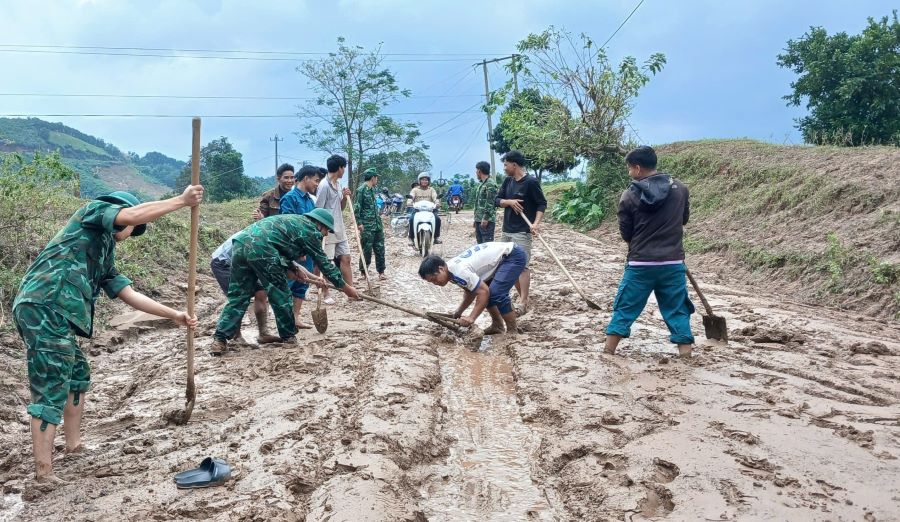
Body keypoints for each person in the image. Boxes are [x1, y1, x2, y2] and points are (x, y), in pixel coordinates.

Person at [12, 186, 203, 485]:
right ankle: (43, 473)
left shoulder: (104, 253)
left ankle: (73, 446)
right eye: (132, 228)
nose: (129, 233)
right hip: (45, 306)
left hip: (54, 312)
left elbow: (128, 293)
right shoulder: (93, 212)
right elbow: (132, 214)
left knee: (76, 373)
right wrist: (181, 201)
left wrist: (174, 314)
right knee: (52, 383)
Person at [211, 208, 360, 355]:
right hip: (262, 247)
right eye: (327, 230)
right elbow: (324, 264)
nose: (326, 234)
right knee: (281, 293)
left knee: (238, 295)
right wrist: (346, 288)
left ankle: (219, 339)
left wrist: (293, 269)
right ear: (320, 224)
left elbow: (278, 247)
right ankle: (288, 336)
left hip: (240, 243)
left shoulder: (293, 222)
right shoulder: (310, 230)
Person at [604, 146, 694, 357]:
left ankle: (608, 353)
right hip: (673, 263)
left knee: (625, 307)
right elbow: (684, 220)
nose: (629, 173)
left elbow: (626, 233)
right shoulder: (680, 189)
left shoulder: (629, 195)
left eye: (629, 169)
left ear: (637, 168)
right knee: (678, 309)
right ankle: (686, 355)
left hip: (640, 264)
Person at [418, 242, 526, 335]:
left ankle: (512, 330)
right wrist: (458, 312)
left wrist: (471, 318)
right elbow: (471, 291)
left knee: (496, 294)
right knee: (487, 293)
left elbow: (483, 292)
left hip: (511, 256)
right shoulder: (450, 272)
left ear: (441, 269)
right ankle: (497, 326)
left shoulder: (458, 271)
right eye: (431, 282)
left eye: (434, 279)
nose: (435, 283)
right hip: (500, 259)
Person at [494, 150, 547, 315]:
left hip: (522, 231)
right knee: (509, 265)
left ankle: (523, 301)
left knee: (522, 266)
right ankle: (521, 295)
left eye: (505, 164)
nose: (504, 168)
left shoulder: (530, 182)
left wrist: (536, 224)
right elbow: (497, 200)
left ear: (514, 164)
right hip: (506, 230)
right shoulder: (508, 181)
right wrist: (509, 202)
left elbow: (541, 204)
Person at [210, 232, 277, 343]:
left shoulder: (272, 236)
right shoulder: (260, 236)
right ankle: (236, 335)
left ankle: (263, 334)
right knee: (239, 296)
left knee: (261, 291)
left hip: (244, 261)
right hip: (223, 262)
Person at [280, 165, 324, 328]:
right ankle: (285, 321)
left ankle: (296, 317)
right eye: (315, 180)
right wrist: (296, 250)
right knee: (289, 283)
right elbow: (287, 226)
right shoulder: (290, 198)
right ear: (306, 178)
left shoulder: (309, 200)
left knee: (303, 284)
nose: (316, 184)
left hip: (308, 250)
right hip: (295, 252)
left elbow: (313, 225)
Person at [316, 155, 354, 304]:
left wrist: (344, 197)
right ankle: (326, 293)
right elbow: (318, 209)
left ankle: (351, 291)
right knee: (327, 262)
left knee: (346, 258)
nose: (344, 170)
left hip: (340, 229)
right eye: (344, 167)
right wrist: (321, 229)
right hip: (328, 231)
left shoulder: (338, 185)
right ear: (339, 168)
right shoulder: (324, 186)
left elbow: (341, 207)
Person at [354, 168, 387, 280]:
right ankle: (363, 272)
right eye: (376, 177)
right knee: (367, 249)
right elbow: (357, 207)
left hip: (377, 224)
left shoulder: (372, 189)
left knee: (380, 248)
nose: (377, 179)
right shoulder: (361, 190)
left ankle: (381, 272)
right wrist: (359, 223)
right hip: (367, 226)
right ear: (373, 178)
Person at [407, 172, 442, 245]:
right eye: (423, 180)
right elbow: (411, 196)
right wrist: (409, 202)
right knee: (411, 219)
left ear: (428, 181)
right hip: (417, 210)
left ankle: (436, 237)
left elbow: (435, 197)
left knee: (437, 219)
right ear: (419, 181)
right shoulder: (415, 190)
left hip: (430, 210)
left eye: (426, 180)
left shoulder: (431, 189)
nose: (424, 181)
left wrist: (437, 202)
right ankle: (411, 238)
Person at [473, 161, 499, 244]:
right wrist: (476, 219)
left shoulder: (490, 184)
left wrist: (485, 218)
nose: (476, 173)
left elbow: (490, 203)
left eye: (476, 171)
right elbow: (478, 203)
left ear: (479, 171)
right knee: (480, 245)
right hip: (479, 219)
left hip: (487, 221)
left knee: (487, 245)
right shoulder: (482, 184)